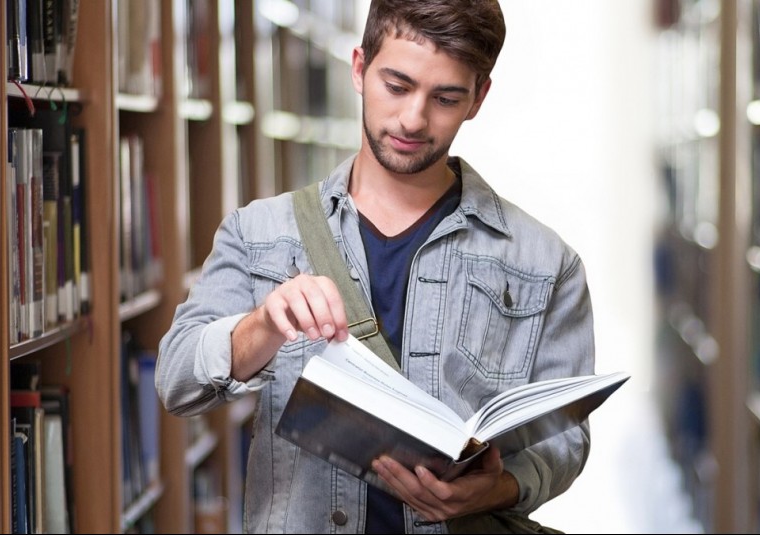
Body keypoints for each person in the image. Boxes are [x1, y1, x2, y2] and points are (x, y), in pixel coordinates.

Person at [156, 0, 595, 532]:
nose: (414, 118)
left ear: (478, 98)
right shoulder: (260, 233)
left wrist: (498, 488)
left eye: (446, 98)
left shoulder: (548, 263)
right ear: (360, 67)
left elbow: (565, 440)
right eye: (397, 85)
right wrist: (263, 325)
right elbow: (177, 381)